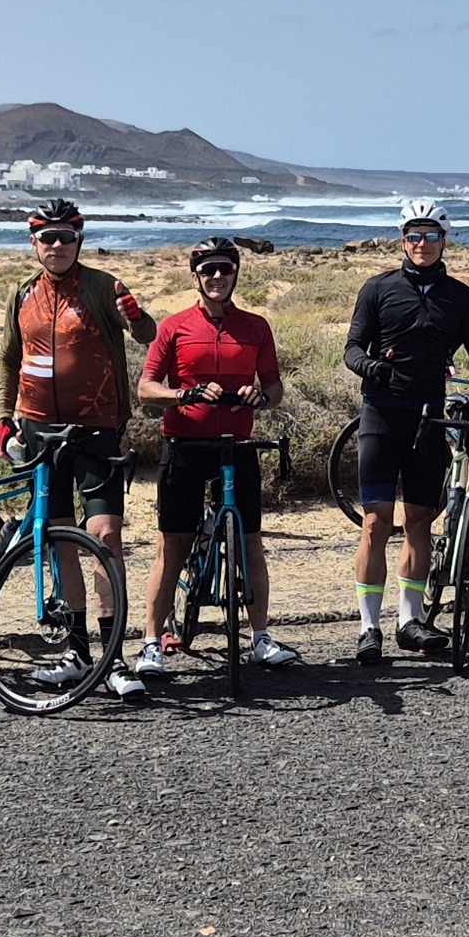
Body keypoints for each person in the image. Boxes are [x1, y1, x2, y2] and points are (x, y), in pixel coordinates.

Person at [0, 198, 159, 698]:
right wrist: (3, 418)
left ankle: (114, 658)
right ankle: (78, 653)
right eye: (47, 237)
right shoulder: (22, 292)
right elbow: (8, 357)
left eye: (66, 237)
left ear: (79, 240)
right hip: (39, 431)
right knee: (61, 540)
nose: (57, 245)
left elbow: (148, 335)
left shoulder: (103, 286)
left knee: (105, 537)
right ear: (33, 243)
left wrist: (136, 315)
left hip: (96, 428)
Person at [132, 237, 304, 674]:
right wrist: (183, 394)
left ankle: (261, 637)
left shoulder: (255, 327)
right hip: (185, 446)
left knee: (250, 542)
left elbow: (275, 388)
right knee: (172, 546)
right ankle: (151, 642)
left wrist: (261, 398)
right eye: (208, 269)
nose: (216, 276)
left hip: (237, 447)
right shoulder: (175, 327)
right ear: (195, 277)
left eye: (225, 268)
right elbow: (146, 389)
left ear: (235, 274)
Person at [340, 200, 469, 661]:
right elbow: (352, 348)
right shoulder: (378, 288)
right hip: (382, 416)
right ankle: (369, 627)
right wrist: (371, 367)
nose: (421, 244)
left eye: (430, 236)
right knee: (375, 524)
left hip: (430, 420)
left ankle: (409, 621)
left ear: (444, 240)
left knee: (420, 523)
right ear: (402, 239)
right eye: (413, 235)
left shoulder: (460, 297)